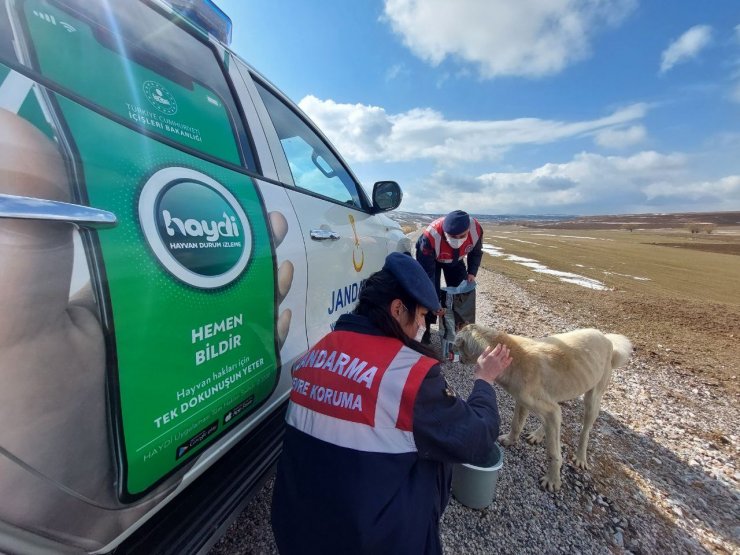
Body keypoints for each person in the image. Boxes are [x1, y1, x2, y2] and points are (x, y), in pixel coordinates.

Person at [271, 252, 511, 555]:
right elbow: (476, 437)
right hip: (363, 543)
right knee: (435, 445)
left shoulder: (316, 353)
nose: (422, 326)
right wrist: (484, 380)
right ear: (398, 310)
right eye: (422, 316)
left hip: (293, 533)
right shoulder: (408, 374)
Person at [415, 210, 483, 343]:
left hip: (455, 260)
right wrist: (434, 302)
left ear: (468, 230)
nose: (457, 240)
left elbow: (476, 252)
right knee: (427, 295)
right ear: (444, 232)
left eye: (461, 236)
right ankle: (425, 331)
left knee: (461, 294)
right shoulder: (430, 236)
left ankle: (459, 332)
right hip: (431, 259)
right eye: (451, 236)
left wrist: (472, 273)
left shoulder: (476, 230)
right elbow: (427, 275)